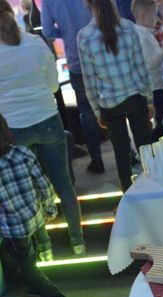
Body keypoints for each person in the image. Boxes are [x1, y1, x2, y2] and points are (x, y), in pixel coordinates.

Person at [0, 0, 86, 258]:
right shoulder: (35, 42)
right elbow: (53, 86)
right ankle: (78, 242)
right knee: (64, 184)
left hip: (14, 128)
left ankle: (45, 248)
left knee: (30, 188)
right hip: (47, 119)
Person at [0, 113, 69, 297]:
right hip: (35, 216)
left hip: (12, 228)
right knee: (30, 257)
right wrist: (49, 209)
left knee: (25, 265)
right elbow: (44, 184)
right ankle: (34, 287)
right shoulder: (22, 152)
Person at [78, 0, 153, 192]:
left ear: (88, 4)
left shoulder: (84, 36)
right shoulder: (128, 27)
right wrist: (149, 99)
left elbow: (89, 81)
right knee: (146, 149)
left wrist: (97, 111)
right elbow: (141, 67)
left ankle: (129, 197)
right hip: (136, 96)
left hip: (109, 103)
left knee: (121, 155)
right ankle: (155, 190)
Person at [41, 0, 105, 174]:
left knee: (87, 111)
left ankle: (96, 159)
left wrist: (66, 31)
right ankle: (127, 153)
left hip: (76, 58)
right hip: (100, 52)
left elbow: (47, 30)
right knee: (111, 103)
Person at [131, 0, 163, 142]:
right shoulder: (141, 37)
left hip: (159, 84)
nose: (155, 19)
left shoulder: (146, 34)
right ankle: (151, 144)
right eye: (153, 15)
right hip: (155, 87)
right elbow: (148, 64)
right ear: (143, 15)